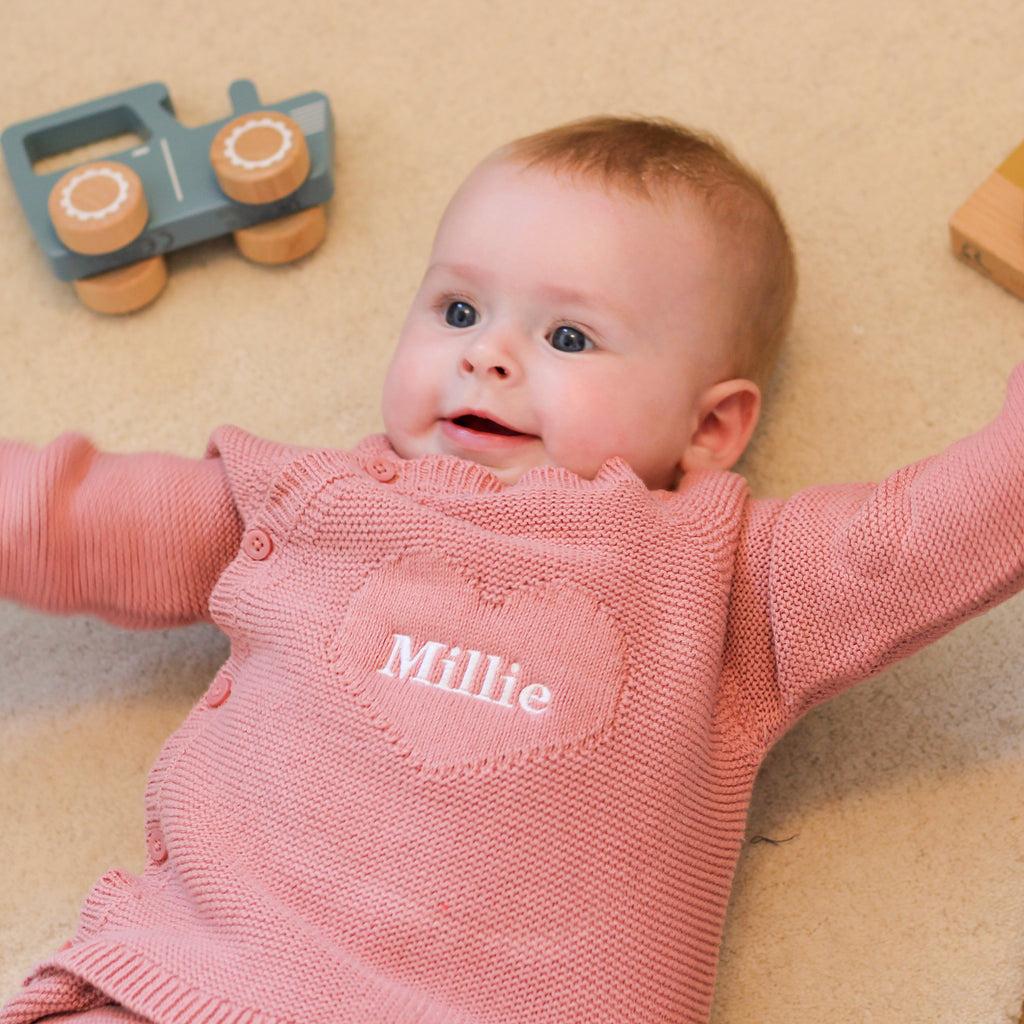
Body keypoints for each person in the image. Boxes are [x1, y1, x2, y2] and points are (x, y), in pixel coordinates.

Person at [0, 115, 1021, 1024]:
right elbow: (74, 512)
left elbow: (926, 536)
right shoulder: (312, 500)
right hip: (207, 982)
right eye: (455, 311)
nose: (485, 355)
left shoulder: (723, 581)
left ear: (711, 426)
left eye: (566, 335)